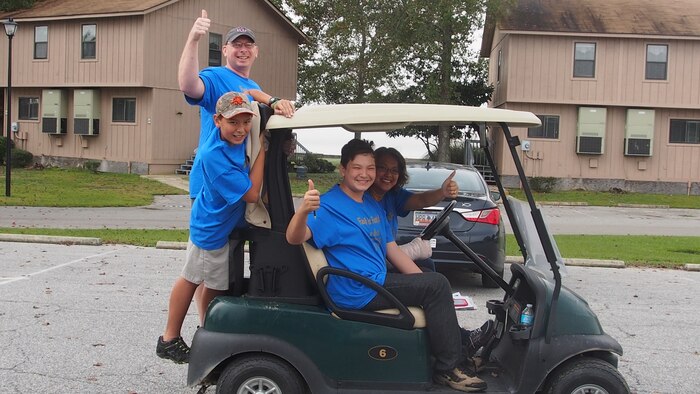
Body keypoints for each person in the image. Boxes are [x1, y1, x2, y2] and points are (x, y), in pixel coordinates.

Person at [286, 139, 490, 392]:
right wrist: (303, 210)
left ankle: (451, 350)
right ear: (343, 169)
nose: (365, 174)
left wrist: (423, 280)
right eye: (357, 168)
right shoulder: (331, 207)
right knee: (436, 284)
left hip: (374, 280)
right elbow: (294, 237)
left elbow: (390, 249)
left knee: (430, 278)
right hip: (358, 289)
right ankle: (449, 368)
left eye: (370, 168)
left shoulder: (370, 202)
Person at [156, 92, 266, 364]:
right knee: (195, 279)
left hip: (222, 224)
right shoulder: (213, 155)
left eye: (246, 122)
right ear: (217, 121)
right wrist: (263, 148)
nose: (241, 129)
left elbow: (251, 95)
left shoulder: (235, 139)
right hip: (211, 228)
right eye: (233, 123)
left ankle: (208, 330)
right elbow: (251, 194)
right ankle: (170, 339)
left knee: (211, 283)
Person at [178, 9, 295, 200]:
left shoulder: (254, 87)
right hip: (212, 185)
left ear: (256, 52)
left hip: (240, 181)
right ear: (225, 50)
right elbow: (188, 86)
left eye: (248, 45)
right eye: (237, 44)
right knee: (211, 231)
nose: (243, 49)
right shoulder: (215, 76)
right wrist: (193, 40)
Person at [368, 147, 459, 272]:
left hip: (386, 258)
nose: (388, 174)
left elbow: (421, 200)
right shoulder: (362, 200)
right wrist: (412, 250)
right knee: (432, 278)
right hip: (372, 266)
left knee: (427, 264)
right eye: (382, 168)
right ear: (372, 169)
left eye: (394, 170)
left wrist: (443, 192)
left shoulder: (392, 195)